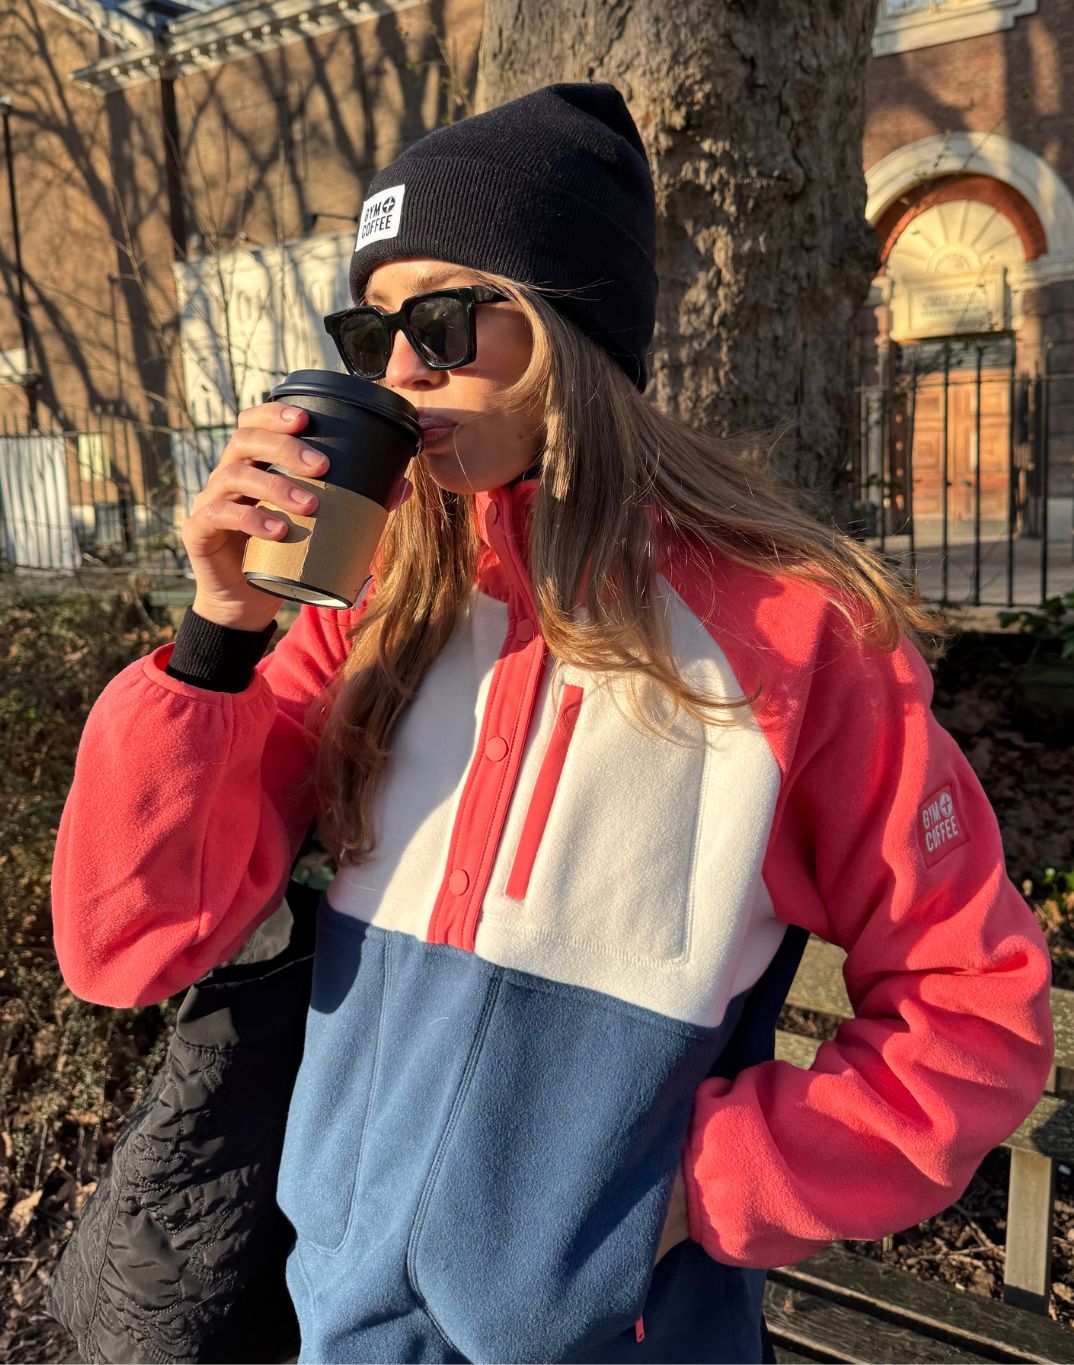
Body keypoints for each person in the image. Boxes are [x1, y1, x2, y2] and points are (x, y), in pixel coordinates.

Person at [52, 84, 1053, 1365]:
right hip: (339, 1329)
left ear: (572, 328)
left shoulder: (794, 637)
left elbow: (974, 1013)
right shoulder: (374, 608)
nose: (400, 373)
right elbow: (126, 947)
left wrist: (684, 1199)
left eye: (443, 322)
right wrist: (216, 637)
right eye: (372, 333)